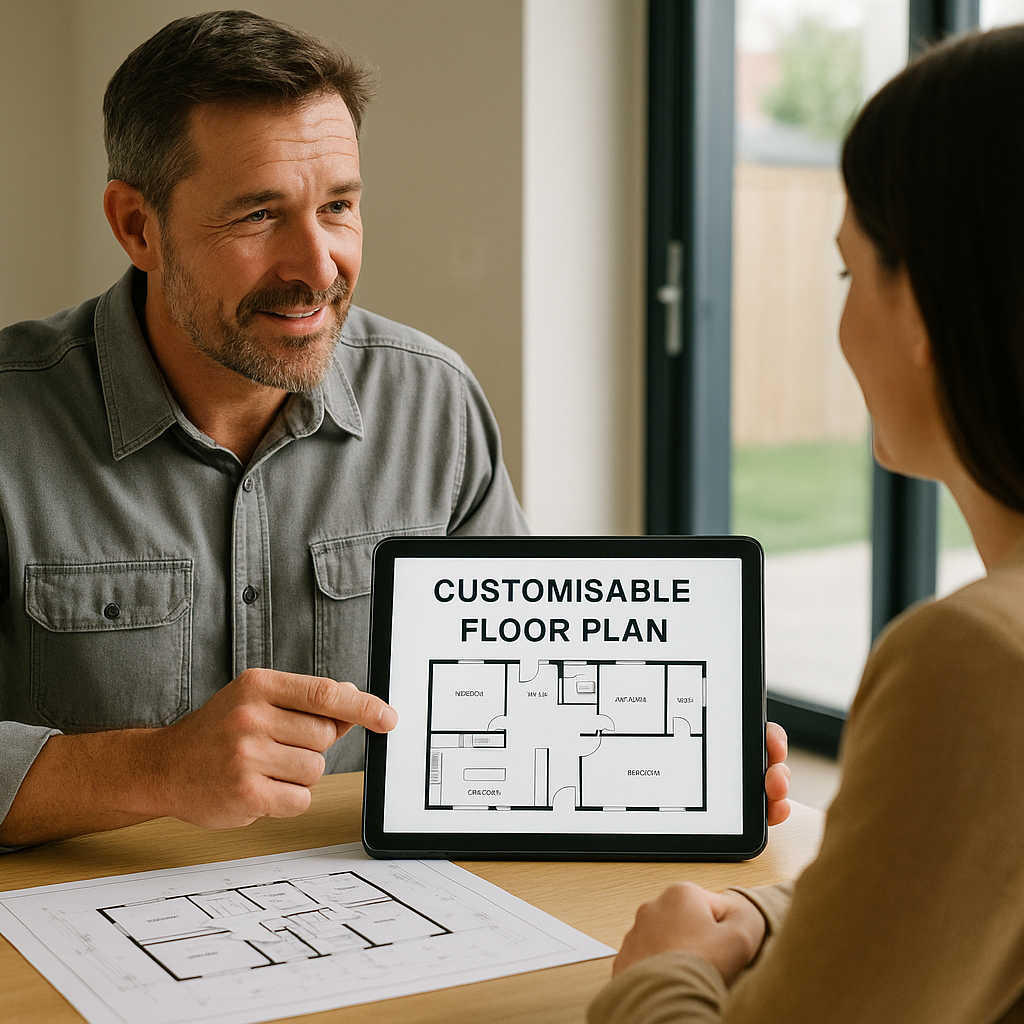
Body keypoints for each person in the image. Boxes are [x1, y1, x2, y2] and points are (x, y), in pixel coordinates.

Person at [0, 11, 790, 851]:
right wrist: (156, 767)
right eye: (260, 215)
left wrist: (664, 760)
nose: (317, 266)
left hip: (376, 913)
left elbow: (519, 705)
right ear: (137, 227)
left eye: (337, 205)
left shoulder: (433, 402)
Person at [589, 23, 1024, 1024]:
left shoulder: (975, 659)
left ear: (915, 304)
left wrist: (658, 968)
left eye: (845, 274)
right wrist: (766, 912)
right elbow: (960, 898)